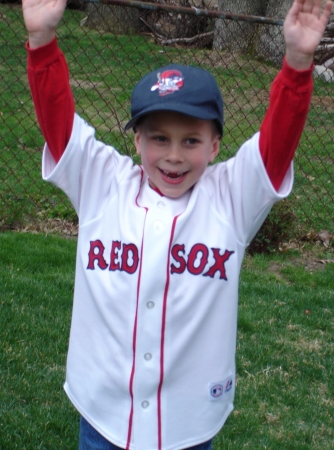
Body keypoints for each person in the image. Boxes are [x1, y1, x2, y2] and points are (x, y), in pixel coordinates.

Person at [22, 0, 332, 449]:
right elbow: (60, 128)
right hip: (104, 414)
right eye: (158, 138)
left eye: (191, 140)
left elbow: (275, 147)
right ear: (136, 138)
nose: (173, 155)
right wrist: (41, 43)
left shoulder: (230, 197)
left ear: (215, 145)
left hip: (188, 422)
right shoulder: (103, 184)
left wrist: (298, 65)